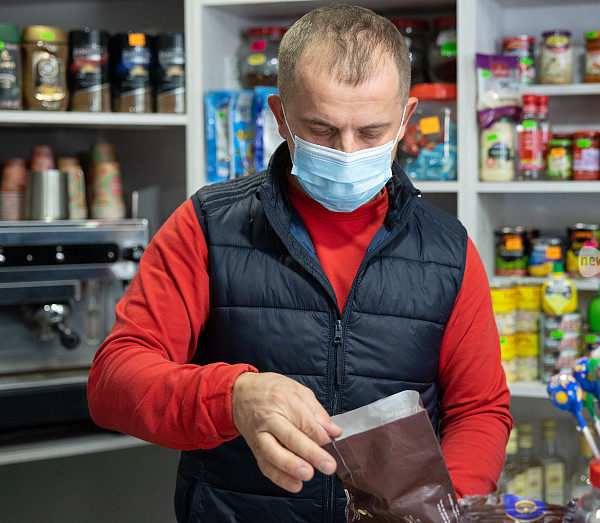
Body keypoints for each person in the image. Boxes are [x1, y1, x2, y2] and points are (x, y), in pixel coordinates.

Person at [87, 4, 512, 521]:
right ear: (280, 115)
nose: (348, 152)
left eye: (372, 132)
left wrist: (443, 511)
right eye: (322, 130)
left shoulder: (449, 250)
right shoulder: (207, 226)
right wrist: (231, 397)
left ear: (406, 119)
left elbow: (480, 410)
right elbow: (113, 380)